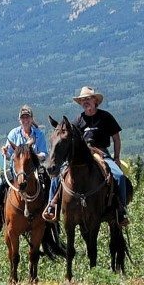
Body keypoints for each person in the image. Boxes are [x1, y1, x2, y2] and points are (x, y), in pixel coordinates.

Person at [49, 87, 132, 226]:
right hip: (82, 156)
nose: (85, 102)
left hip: (102, 153)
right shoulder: (78, 121)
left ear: (95, 101)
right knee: (57, 176)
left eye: (88, 99)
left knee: (119, 176)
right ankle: (52, 206)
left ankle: (121, 209)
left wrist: (116, 157)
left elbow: (116, 138)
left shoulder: (106, 117)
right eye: (82, 100)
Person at [0, 105, 48, 231]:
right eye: (23, 118)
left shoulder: (39, 134)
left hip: (34, 170)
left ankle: (50, 214)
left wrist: (35, 156)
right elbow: (9, 154)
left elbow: (44, 153)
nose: (25, 120)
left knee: (49, 184)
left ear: (32, 119)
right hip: (16, 170)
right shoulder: (13, 133)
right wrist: (5, 152)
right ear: (19, 120)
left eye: (27, 118)